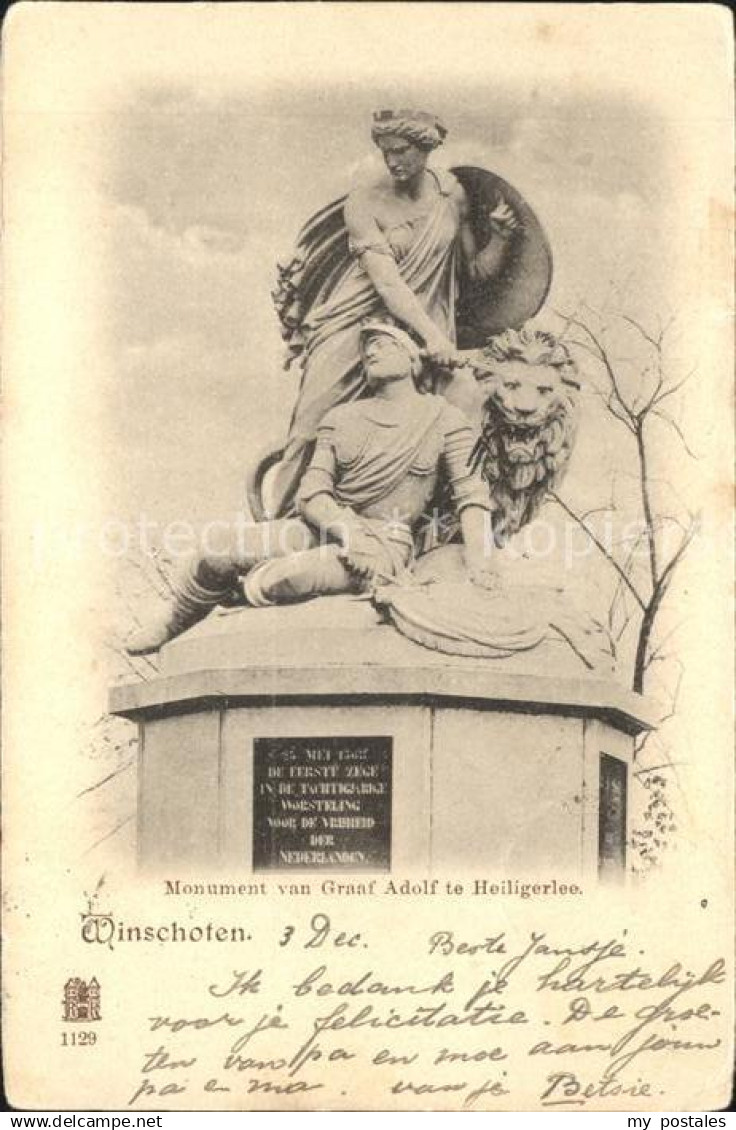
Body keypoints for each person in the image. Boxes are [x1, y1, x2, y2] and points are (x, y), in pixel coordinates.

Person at [126, 321, 495, 655]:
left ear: (413, 359)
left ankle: (243, 594)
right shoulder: (340, 418)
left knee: (290, 576)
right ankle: (176, 623)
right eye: (367, 347)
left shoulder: (444, 420)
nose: (371, 351)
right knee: (216, 550)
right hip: (324, 529)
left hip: (385, 543)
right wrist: (348, 531)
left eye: (384, 343)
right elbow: (312, 492)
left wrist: (480, 564)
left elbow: (472, 495)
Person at [269, 108, 518, 516]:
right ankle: (278, 522)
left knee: (463, 405)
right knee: (311, 425)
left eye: (401, 151)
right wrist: (432, 338)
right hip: (357, 322)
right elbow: (387, 283)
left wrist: (502, 241)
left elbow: (472, 272)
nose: (393, 161)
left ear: (426, 148)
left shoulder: (451, 195)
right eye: (385, 153)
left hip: (429, 326)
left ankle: (442, 528)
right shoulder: (364, 202)